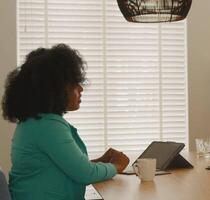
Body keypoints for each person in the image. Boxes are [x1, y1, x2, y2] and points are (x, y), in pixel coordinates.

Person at [1, 44, 130, 200]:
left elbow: (63, 168)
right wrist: (116, 166)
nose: (81, 89)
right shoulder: (48, 126)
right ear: (54, 89)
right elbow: (85, 174)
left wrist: (100, 161)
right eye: (75, 83)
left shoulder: (36, 122)